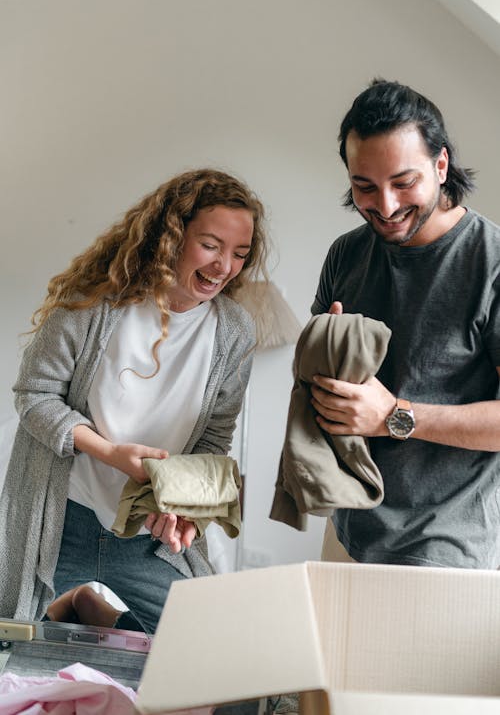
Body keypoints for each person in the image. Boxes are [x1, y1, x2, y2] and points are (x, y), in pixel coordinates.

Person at [0, 168, 268, 632]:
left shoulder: (235, 331)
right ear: (171, 237)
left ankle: (90, 608)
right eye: (210, 245)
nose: (224, 266)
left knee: (210, 646)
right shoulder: (93, 304)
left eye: (239, 254)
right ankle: (79, 604)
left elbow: (213, 442)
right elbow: (35, 396)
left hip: (145, 531)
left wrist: (189, 511)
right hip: (63, 517)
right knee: (12, 636)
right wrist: (109, 453)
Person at [311, 78, 500, 569]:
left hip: (445, 546)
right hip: (348, 531)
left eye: (404, 182)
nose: (387, 206)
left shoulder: (491, 263)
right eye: (365, 186)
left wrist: (394, 414)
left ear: (441, 165)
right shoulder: (347, 253)